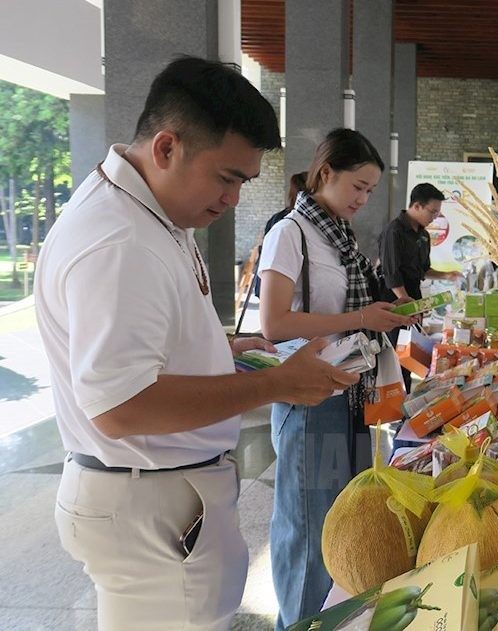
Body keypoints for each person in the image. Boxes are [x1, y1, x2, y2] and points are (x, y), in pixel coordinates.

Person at [34, 56, 359, 631]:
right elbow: (119, 406)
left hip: (161, 500)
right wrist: (276, 383)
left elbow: (152, 342)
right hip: (149, 511)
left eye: (244, 182)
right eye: (227, 177)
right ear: (166, 148)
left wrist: (225, 348)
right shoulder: (119, 242)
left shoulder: (152, 215)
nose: (233, 198)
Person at [257, 127, 417, 629]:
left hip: (348, 390)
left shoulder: (341, 237)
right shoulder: (291, 232)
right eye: (357, 187)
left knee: (343, 520)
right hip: (307, 396)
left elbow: (353, 307)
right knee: (307, 527)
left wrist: (383, 313)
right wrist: (360, 319)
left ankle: (332, 618)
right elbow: (274, 323)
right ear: (325, 173)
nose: (363, 200)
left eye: (370, 191)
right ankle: (299, 621)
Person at [378, 182, 462, 388]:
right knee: (396, 358)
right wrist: (407, 307)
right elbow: (391, 274)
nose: (435, 217)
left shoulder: (423, 235)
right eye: (432, 211)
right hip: (395, 304)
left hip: (414, 303)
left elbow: (424, 269)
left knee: (412, 356)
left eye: (438, 213)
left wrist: (447, 275)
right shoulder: (394, 231)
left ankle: (407, 401)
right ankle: (394, 406)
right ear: (416, 206)